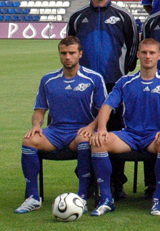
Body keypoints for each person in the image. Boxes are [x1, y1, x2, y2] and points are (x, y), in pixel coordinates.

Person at [89, 39, 160, 216]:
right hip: (129, 135)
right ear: (138, 55)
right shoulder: (125, 81)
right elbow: (107, 106)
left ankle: (158, 198)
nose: (148, 56)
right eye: (144, 52)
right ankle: (107, 199)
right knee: (99, 142)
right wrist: (101, 129)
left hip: (155, 136)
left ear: (159, 56)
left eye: (152, 53)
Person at [15, 37, 107, 214]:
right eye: (64, 53)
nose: (68, 57)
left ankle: (81, 197)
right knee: (29, 141)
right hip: (55, 132)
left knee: (84, 141)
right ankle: (33, 197)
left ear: (80, 54)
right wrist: (36, 125)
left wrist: (91, 127)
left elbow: (104, 110)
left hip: (80, 131)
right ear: (59, 54)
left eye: (72, 53)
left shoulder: (94, 78)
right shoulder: (48, 80)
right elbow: (39, 111)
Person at [67, 0, 138, 196]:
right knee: (85, 133)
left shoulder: (123, 16)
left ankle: (116, 183)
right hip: (85, 87)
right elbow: (71, 48)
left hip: (113, 85)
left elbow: (133, 48)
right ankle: (87, 181)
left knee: (113, 133)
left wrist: (121, 73)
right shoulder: (78, 17)